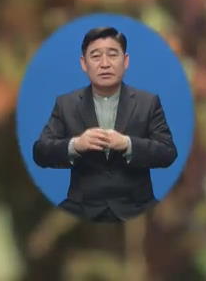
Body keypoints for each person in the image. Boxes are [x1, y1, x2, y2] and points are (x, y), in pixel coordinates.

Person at [32, 26, 178, 222]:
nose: (105, 64)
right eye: (95, 56)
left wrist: (128, 144)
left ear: (125, 61)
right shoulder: (66, 104)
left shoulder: (148, 102)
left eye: (112, 55)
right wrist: (76, 145)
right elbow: (40, 152)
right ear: (84, 63)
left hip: (137, 205)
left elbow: (168, 152)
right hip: (82, 207)